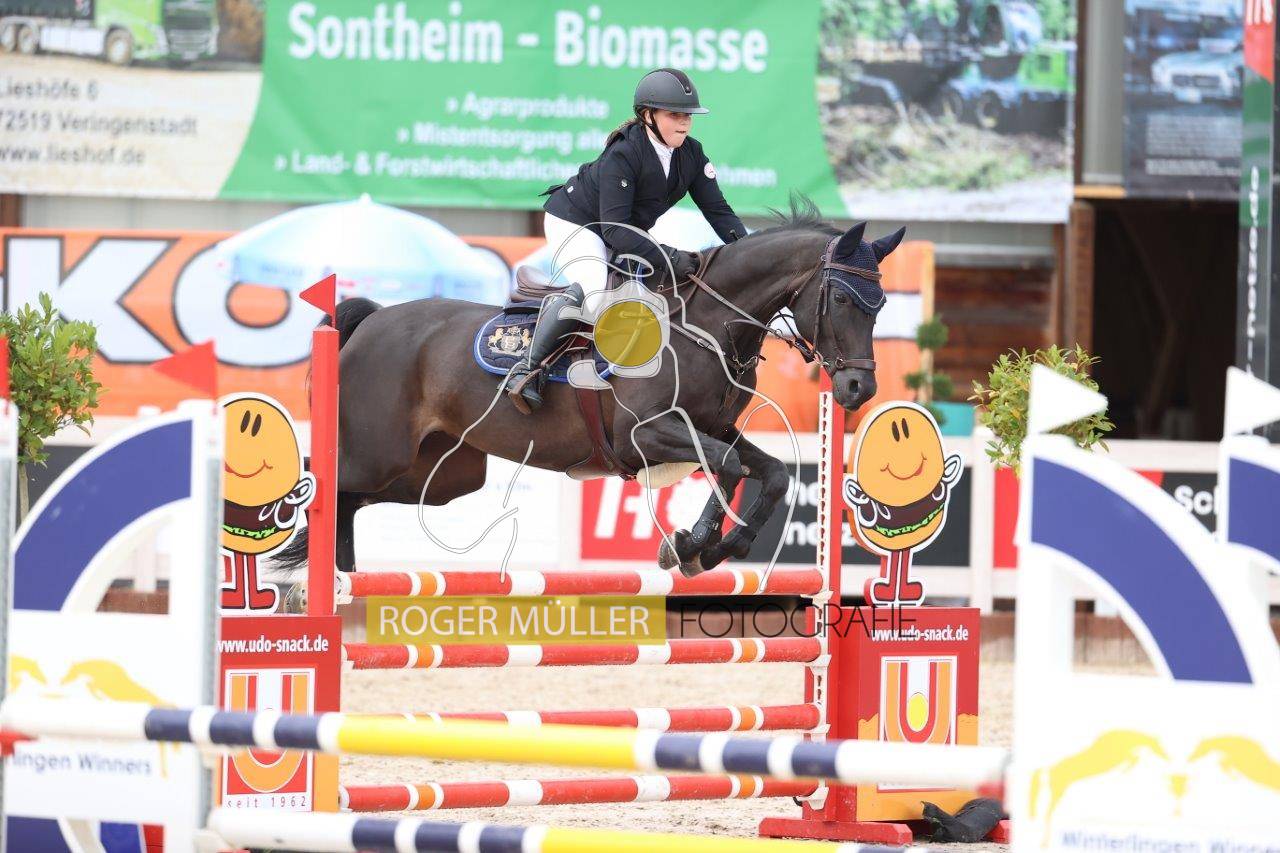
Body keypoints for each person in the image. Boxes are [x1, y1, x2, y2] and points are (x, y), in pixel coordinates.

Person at [502, 67, 748, 413]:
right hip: (575, 223)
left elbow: (719, 211)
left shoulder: (692, 154)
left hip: (619, 230)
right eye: (674, 115)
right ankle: (526, 370)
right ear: (648, 116)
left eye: (688, 116)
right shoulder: (625, 153)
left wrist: (749, 254)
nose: (684, 123)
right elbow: (615, 230)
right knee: (594, 290)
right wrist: (669, 256)